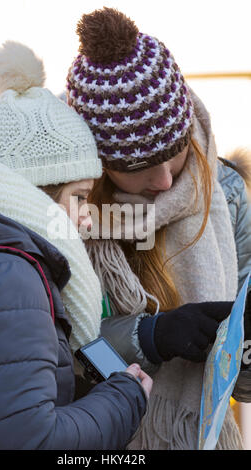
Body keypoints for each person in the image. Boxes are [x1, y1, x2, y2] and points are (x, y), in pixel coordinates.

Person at [0, 41, 153, 450]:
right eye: (79, 197)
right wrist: (125, 397)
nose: (86, 216)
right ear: (31, 192)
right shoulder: (5, 278)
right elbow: (29, 442)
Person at [66, 7, 250, 449]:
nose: (166, 181)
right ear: (100, 165)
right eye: (139, 167)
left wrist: (243, 349)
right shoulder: (70, 210)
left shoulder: (225, 192)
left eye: (178, 151)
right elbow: (59, 348)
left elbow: (244, 383)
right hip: (108, 437)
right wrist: (149, 336)